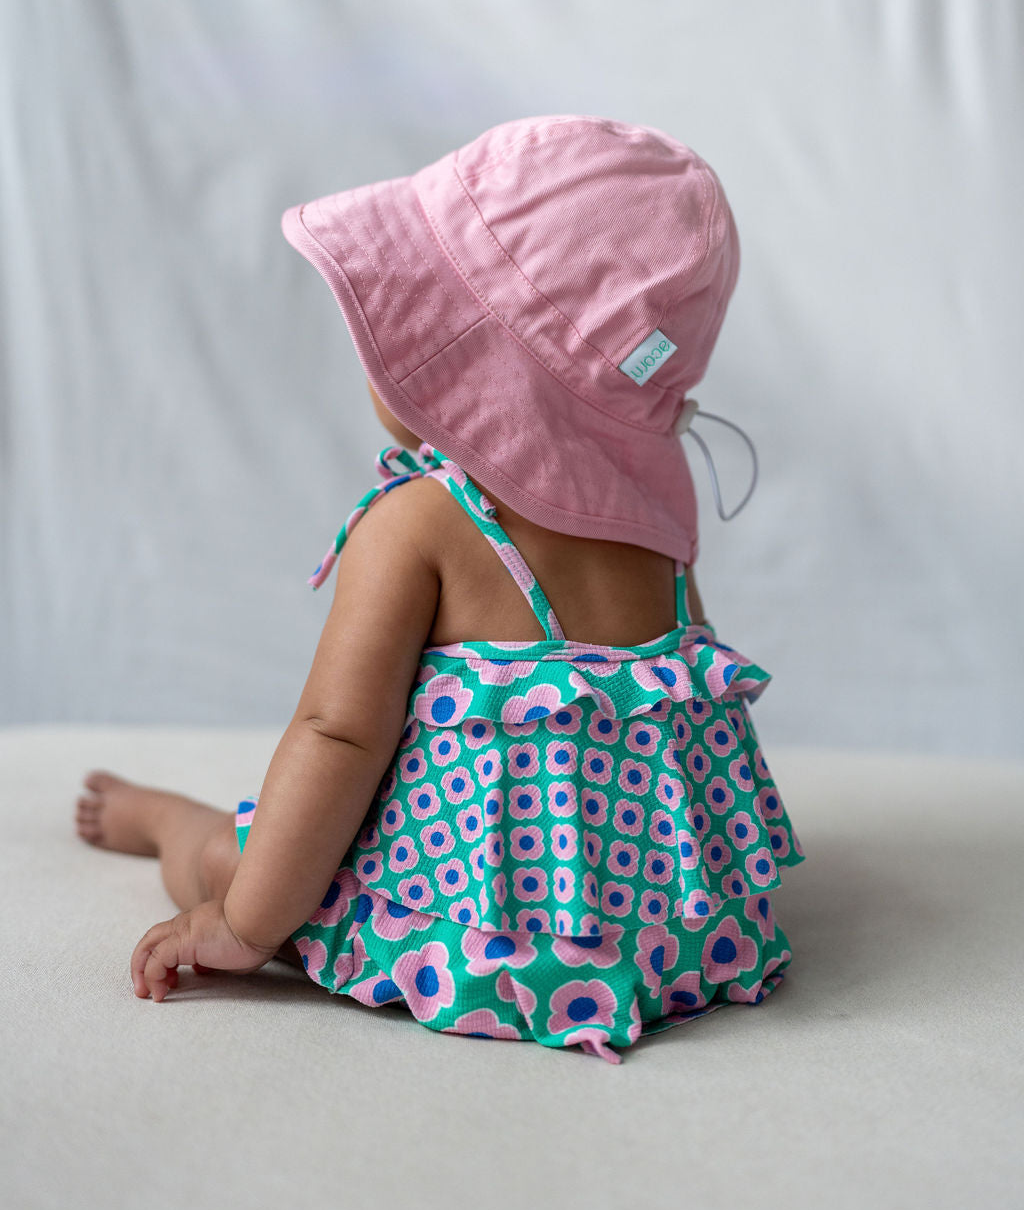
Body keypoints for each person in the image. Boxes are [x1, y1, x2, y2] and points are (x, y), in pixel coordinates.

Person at [76, 114, 805, 1064]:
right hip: (665, 949)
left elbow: (338, 735)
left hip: (471, 940)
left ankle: (172, 823)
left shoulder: (420, 521)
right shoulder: (661, 538)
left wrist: (246, 928)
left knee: (237, 860)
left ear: (469, 370)